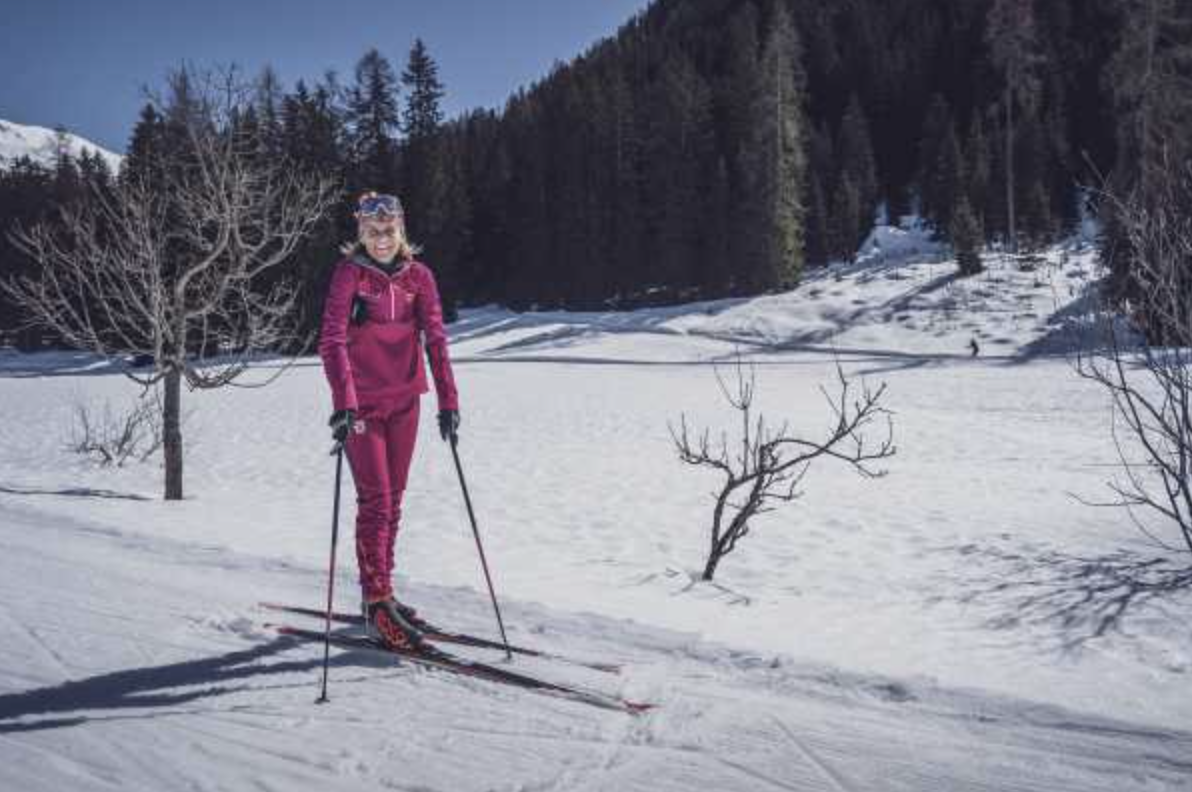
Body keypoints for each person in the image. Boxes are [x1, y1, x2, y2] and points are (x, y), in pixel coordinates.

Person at [318, 191, 460, 652]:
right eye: (373, 232)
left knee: (393, 501)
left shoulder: (420, 277)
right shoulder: (349, 275)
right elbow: (332, 340)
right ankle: (377, 605)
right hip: (362, 407)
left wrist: (448, 402)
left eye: (389, 231)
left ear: (402, 232)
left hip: (406, 403)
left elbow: (436, 340)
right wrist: (343, 401)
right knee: (376, 501)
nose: (382, 239)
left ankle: (383, 593)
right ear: (361, 232)